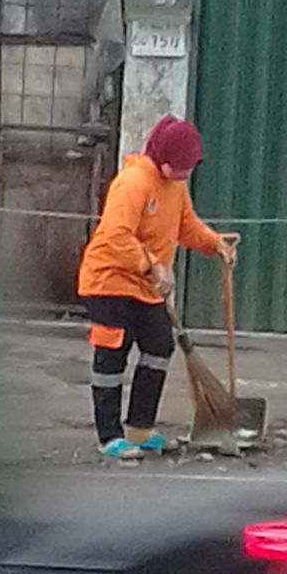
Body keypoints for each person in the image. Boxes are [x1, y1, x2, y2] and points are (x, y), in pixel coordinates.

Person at [77, 115, 237, 460]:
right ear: (163, 159)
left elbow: (186, 225)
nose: (185, 174)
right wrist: (151, 264)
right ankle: (109, 436)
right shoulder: (133, 183)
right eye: (180, 166)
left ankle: (140, 426)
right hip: (109, 281)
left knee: (159, 346)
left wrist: (214, 244)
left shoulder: (175, 187)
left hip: (147, 286)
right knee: (112, 356)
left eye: (188, 167)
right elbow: (117, 235)